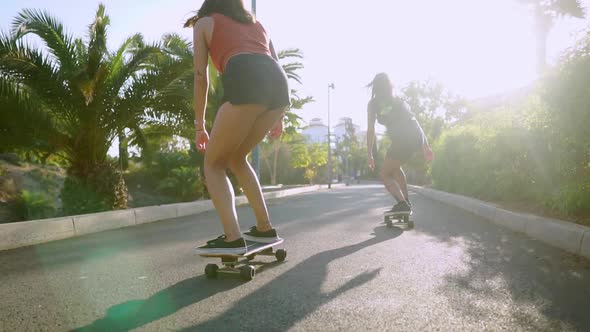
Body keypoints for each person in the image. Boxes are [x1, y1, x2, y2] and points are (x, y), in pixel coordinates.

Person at [185, 0, 290, 254]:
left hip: (246, 79)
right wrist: (279, 116)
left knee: (213, 164)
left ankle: (232, 238)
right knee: (237, 157)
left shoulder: (204, 24)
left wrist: (200, 125)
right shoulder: (257, 23)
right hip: (278, 86)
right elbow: (274, 61)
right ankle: (265, 228)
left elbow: (201, 77)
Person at [366, 73, 434, 215]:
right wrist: (425, 145)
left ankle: (402, 203)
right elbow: (416, 123)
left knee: (384, 174)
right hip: (414, 138)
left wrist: (369, 154)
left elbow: (371, 130)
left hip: (401, 140)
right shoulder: (399, 101)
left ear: (375, 87)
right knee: (395, 168)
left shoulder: (373, 104)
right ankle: (406, 202)